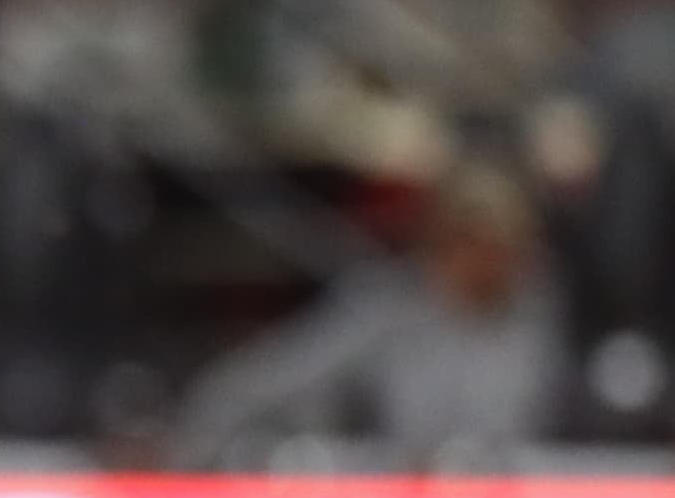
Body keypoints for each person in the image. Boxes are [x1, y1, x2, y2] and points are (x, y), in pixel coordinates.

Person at [171, 161, 565, 471]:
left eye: (505, 247)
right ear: (442, 242)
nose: (489, 262)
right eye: (474, 243)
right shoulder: (385, 311)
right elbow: (269, 381)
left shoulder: (540, 320)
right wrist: (192, 441)